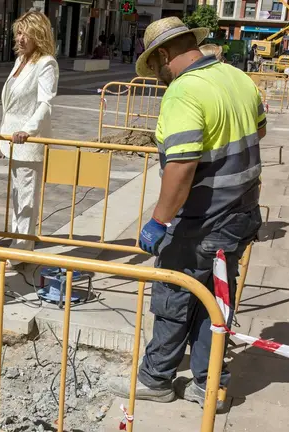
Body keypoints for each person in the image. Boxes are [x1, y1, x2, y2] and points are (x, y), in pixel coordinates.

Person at [109, 17, 265, 410]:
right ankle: (209, 385)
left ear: (164, 55)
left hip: (203, 218)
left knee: (174, 297)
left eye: (156, 67)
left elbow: (181, 165)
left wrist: (158, 221)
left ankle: (156, 379)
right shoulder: (236, 77)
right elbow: (258, 131)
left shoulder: (183, 92)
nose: (158, 76)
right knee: (215, 301)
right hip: (241, 212)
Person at [0, 10, 59, 270]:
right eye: (19, 32)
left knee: (26, 196)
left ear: (39, 34)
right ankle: (19, 240)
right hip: (12, 139)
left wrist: (28, 130)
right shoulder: (21, 59)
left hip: (27, 140)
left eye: (27, 33)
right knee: (17, 194)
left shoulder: (45, 63)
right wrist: (6, 136)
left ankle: (22, 247)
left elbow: (45, 103)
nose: (21, 38)